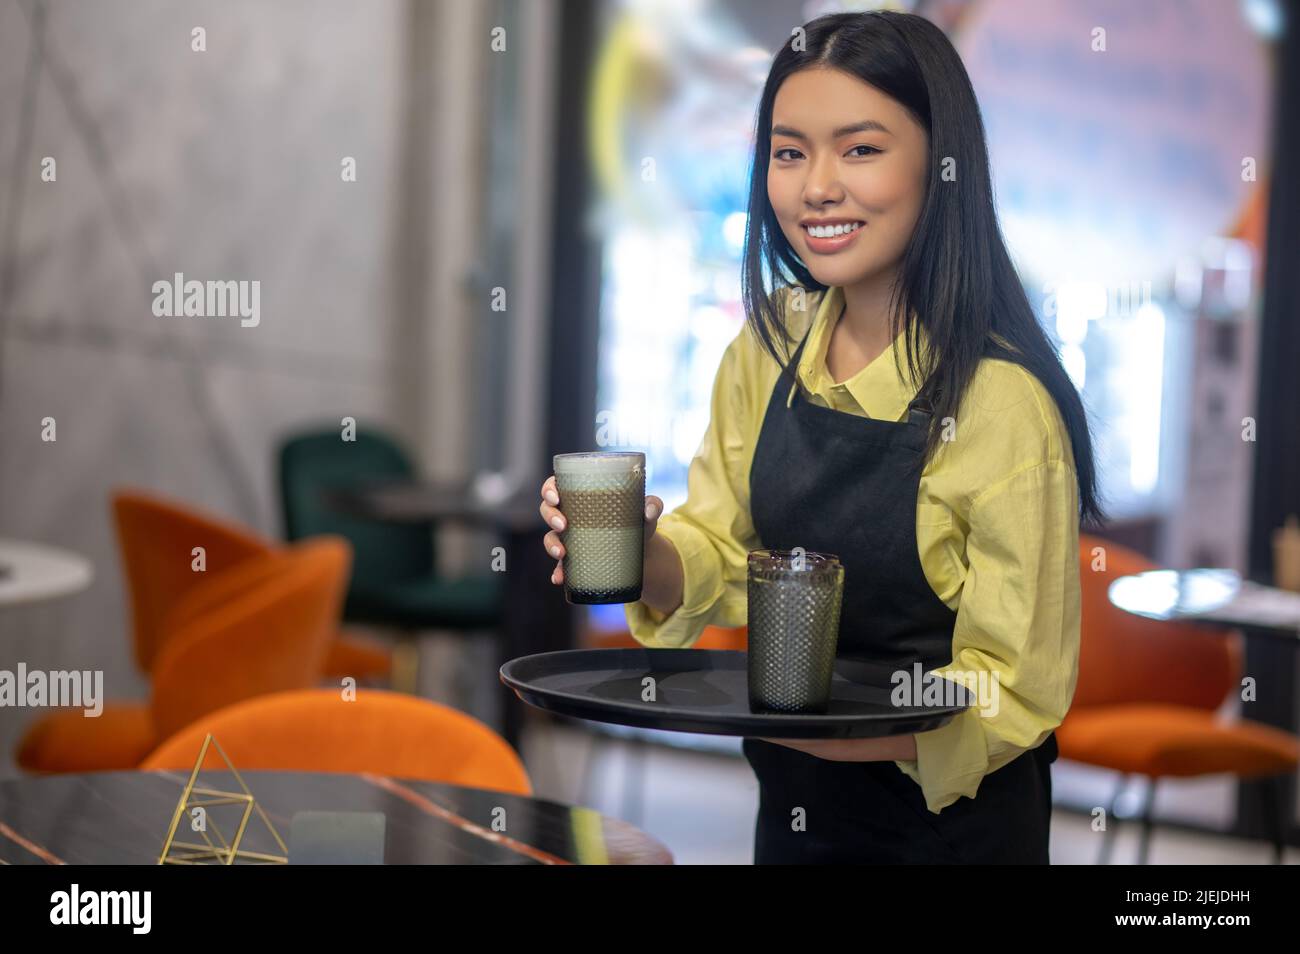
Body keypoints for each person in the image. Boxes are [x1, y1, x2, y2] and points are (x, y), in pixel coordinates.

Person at [539, 9, 1102, 864]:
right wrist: (643, 550)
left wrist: (832, 733)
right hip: (796, 811)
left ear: (942, 166)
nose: (816, 188)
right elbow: (723, 555)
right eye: (789, 151)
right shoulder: (767, 346)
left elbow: (1015, 687)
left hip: (953, 833)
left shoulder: (1000, 402)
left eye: (862, 149)